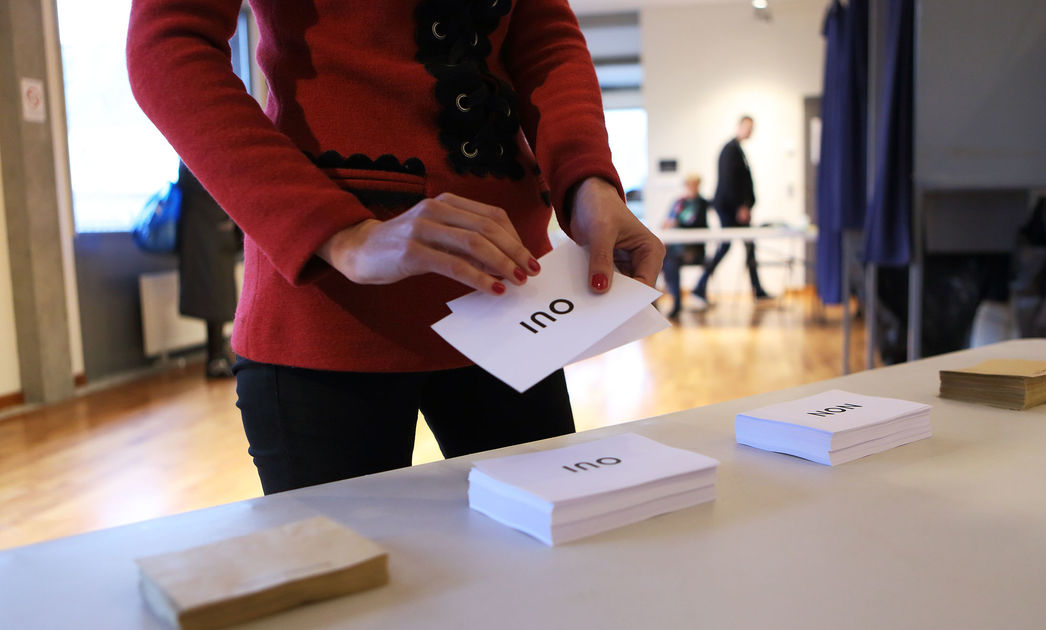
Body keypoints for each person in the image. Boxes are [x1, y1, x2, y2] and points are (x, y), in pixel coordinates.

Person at [127, 0, 665, 494]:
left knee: (543, 573)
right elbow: (169, 42)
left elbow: (542, 34)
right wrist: (337, 230)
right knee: (353, 591)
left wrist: (586, 178)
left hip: (512, 299)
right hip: (334, 309)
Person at [692, 115, 770, 304]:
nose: (750, 131)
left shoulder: (737, 150)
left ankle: (757, 289)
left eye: (752, 128)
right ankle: (699, 287)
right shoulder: (730, 150)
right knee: (727, 246)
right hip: (729, 208)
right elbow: (729, 183)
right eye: (747, 127)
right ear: (739, 127)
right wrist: (741, 207)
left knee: (748, 245)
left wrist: (747, 204)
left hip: (734, 208)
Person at [176, 162, 242, 378]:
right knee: (213, 299)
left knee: (219, 299)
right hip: (205, 236)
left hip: (216, 235)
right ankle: (215, 358)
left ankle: (218, 354)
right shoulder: (192, 161)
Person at [660, 174, 710, 319]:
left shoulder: (702, 203)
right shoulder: (678, 202)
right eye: (689, 184)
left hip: (694, 249)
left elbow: (698, 225)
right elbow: (666, 222)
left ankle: (676, 302)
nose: (691, 187)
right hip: (675, 249)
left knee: (670, 262)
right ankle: (670, 300)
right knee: (664, 261)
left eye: (694, 184)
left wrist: (677, 224)